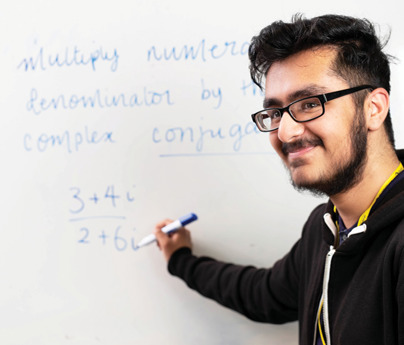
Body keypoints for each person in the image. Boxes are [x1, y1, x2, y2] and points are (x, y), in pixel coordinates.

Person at [153, 14, 404, 345]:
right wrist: (181, 260)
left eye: (310, 104)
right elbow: (265, 294)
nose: (285, 132)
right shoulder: (325, 227)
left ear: (374, 108)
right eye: (275, 112)